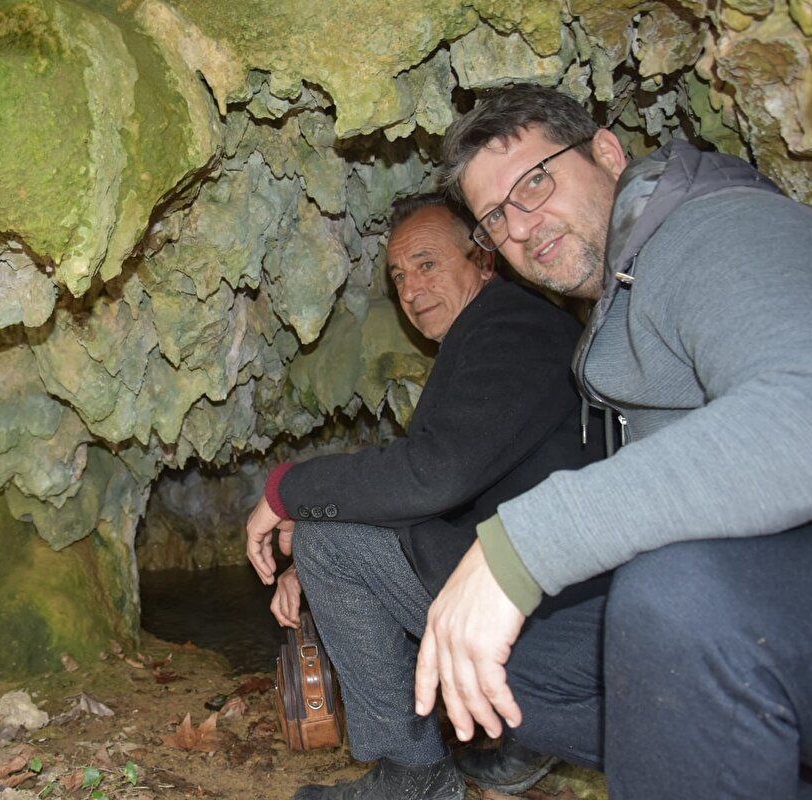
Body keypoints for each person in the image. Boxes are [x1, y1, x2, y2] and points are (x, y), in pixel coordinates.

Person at [414, 84, 812, 799]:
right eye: (494, 217)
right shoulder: (614, 309)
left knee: (676, 601)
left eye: (535, 180)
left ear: (607, 151)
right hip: (788, 596)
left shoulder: (719, 230)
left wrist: (522, 545)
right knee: (513, 675)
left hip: (769, 591)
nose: (521, 225)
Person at [245, 196, 604, 799]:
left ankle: (413, 777)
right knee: (329, 543)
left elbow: (434, 477)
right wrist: (312, 557)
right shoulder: (497, 332)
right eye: (398, 276)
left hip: (557, 620)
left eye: (427, 264)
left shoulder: (511, 329)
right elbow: (446, 498)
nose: (410, 290)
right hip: (545, 597)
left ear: (483, 258)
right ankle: (510, 739)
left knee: (329, 541)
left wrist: (290, 493)